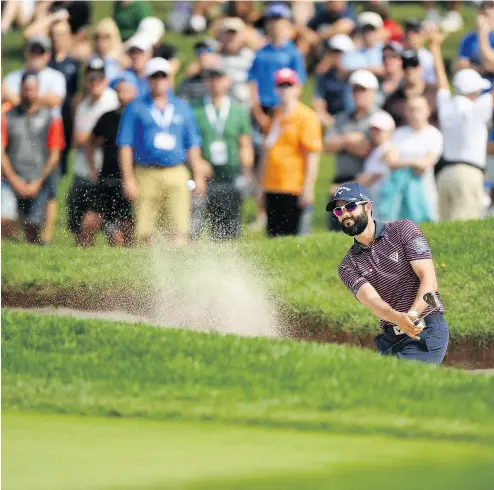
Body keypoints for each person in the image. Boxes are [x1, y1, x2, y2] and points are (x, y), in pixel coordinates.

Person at [328, 182, 449, 365]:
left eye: (350, 206)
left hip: (426, 331)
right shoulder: (347, 266)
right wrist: (397, 319)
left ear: (368, 206)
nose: (345, 214)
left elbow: (429, 280)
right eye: (339, 211)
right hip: (390, 339)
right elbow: (372, 301)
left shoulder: (402, 230)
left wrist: (413, 314)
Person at [117, 57, 208, 246]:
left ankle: (178, 272)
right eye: (155, 76)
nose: (159, 80)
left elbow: (192, 144)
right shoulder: (135, 108)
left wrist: (198, 174)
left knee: (179, 229)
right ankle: (147, 273)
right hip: (146, 173)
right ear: (148, 79)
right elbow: (125, 145)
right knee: (144, 233)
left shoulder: (182, 107)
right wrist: (128, 178)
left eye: (163, 76)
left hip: (177, 172)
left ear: (169, 79)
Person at [2, 34, 67, 246]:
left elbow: (55, 100)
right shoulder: (9, 112)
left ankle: (40, 244)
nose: (35, 55)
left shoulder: (55, 79)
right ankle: (12, 250)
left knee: (33, 225)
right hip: (13, 172)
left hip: (40, 171)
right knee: (5, 219)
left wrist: (38, 180)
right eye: (33, 50)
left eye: (40, 51)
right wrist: (14, 180)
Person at [429, 28, 494, 222]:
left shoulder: (447, 105)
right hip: (469, 174)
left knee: (445, 228)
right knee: (463, 229)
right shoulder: (477, 108)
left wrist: (435, 48)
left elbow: (441, 82)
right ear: (474, 91)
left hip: (444, 175)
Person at [257, 68, 322, 237]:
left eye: (288, 85)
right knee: (273, 238)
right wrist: (260, 186)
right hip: (272, 186)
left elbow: (312, 155)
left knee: (294, 238)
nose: (285, 89)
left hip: (294, 187)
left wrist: (307, 187)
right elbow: (266, 152)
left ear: (297, 88)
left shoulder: (306, 117)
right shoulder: (274, 115)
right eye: (281, 85)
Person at [191, 66, 254, 240]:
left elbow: (244, 144)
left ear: (227, 81)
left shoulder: (237, 110)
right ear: (205, 81)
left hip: (230, 175)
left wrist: (246, 174)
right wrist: (196, 166)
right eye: (210, 79)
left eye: (218, 78)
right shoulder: (195, 109)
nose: (214, 83)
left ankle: (228, 263)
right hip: (204, 178)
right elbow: (189, 143)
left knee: (229, 230)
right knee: (195, 228)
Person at [67, 58, 119, 247]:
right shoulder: (82, 104)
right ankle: (82, 260)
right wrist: (88, 138)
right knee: (79, 223)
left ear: (105, 78)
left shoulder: (112, 99)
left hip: (106, 171)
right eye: (90, 77)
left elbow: (105, 137)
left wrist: (87, 138)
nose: (94, 81)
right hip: (83, 170)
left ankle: (118, 265)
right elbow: (76, 139)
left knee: (111, 225)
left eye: (98, 77)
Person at [85, 72, 137, 247]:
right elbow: (90, 142)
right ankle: (83, 263)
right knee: (89, 222)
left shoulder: (141, 118)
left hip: (132, 180)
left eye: (127, 90)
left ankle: (129, 264)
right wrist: (92, 168)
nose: (123, 95)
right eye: (120, 91)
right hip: (107, 178)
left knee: (127, 229)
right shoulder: (108, 117)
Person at [324, 69, 377, 231]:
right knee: (337, 231)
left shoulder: (378, 119)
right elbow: (327, 146)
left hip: (365, 181)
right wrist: (349, 139)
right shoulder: (341, 118)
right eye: (355, 89)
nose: (358, 94)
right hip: (342, 179)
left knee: (363, 231)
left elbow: (367, 149)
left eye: (363, 90)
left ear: (373, 92)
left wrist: (342, 144)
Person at [380, 96, 443, 223]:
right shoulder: (399, 133)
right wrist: (414, 162)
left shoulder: (434, 135)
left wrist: (402, 162)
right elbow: (389, 161)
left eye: (418, 109)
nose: (414, 113)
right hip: (397, 193)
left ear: (428, 111)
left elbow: (426, 163)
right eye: (411, 109)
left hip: (424, 190)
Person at [48, 18, 80, 177]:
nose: (57, 39)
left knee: (65, 151)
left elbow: (77, 94)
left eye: (61, 35)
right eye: (54, 34)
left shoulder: (74, 63)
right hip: (49, 113)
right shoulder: (46, 61)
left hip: (66, 112)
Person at [355, 110, 396, 219]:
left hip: (384, 205)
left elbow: (369, 179)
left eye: (379, 130)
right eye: (373, 130)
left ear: (390, 131)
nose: (375, 134)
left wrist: (340, 189)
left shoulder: (388, 150)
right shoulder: (376, 151)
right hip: (375, 204)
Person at [383, 49, 438, 128]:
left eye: (413, 65)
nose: (409, 70)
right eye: (405, 67)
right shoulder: (393, 100)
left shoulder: (434, 94)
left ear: (420, 68)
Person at [312, 34, 354, 128]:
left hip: (353, 121)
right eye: (334, 52)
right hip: (332, 119)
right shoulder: (324, 77)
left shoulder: (356, 75)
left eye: (341, 52)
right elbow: (318, 102)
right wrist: (328, 120)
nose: (338, 56)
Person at [215, 17, 255, 107]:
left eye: (234, 34)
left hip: (246, 106)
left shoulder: (250, 57)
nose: (231, 38)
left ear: (242, 36)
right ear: (220, 36)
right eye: (227, 34)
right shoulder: (214, 58)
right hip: (222, 107)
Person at [458, 2, 494, 87]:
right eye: (483, 6)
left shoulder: (481, 35)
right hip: (472, 89)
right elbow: (460, 67)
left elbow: (490, 65)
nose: (486, 9)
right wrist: (481, 69)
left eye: (491, 6)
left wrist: (482, 34)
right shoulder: (469, 38)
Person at [177, 39, 221, 103]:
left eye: (208, 50)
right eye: (199, 51)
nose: (202, 55)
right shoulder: (188, 83)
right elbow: (182, 106)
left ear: (217, 54)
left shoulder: (227, 79)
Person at [341, 11, 384, 77]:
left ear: (378, 31)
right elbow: (345, 71)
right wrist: (373, 70)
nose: (368, 33)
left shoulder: (386, 49)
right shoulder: (351, 51)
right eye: (364, 29)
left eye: (371, 29)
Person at [402, 20, 437, 85]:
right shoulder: (395, 54)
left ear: (424, 35)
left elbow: (432, 82)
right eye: (407, 31)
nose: (410, 34)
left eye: (415, 31)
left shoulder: (429, 58)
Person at [120, 32, 153, 97]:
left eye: (140, 52)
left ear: (149, 55)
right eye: (132, 52)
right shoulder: (122, 76)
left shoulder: (158, 76)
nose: (136, 56)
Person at [376, 42, 404, 108]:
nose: (387, 60)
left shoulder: (407, 82)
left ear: (401, 60)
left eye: (393, 56)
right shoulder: (376, 83)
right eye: (384, 57)